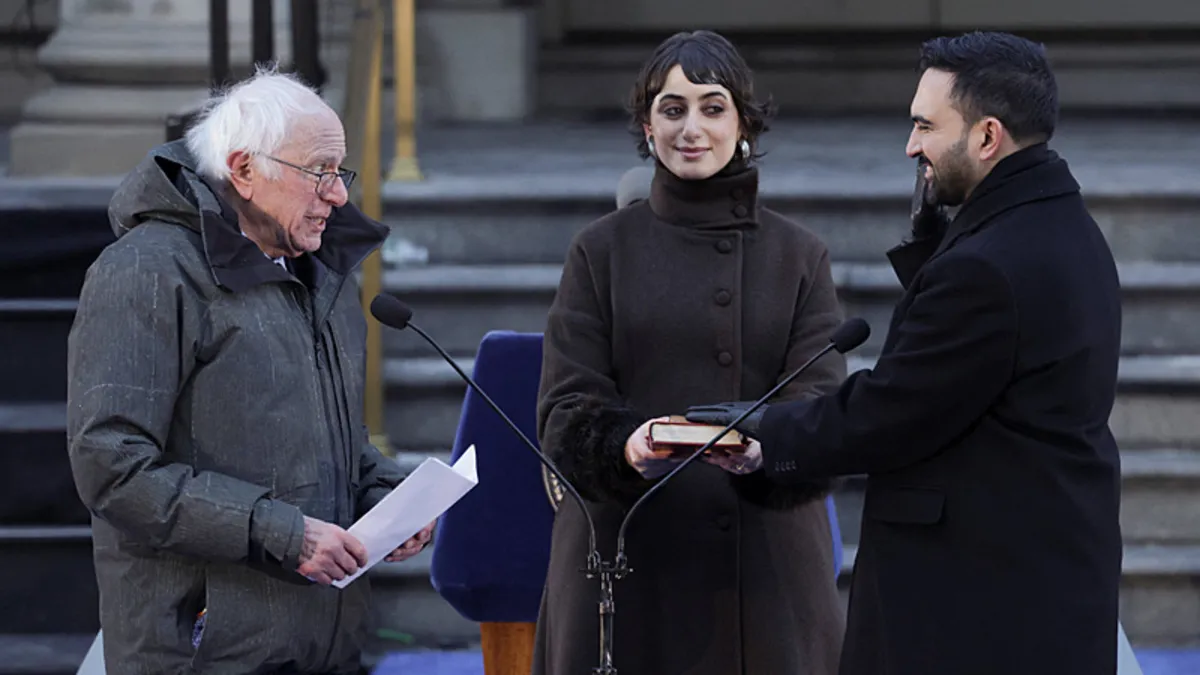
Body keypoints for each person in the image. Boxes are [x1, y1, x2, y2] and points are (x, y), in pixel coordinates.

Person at [687, 31, 1123, 675]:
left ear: (987, 136)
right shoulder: (1061, 226)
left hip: (975, 610)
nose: (911, 146)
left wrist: (765, 432)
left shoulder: (988, 266)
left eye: (925, 126)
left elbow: (893, 412)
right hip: (1034, 585)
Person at [66, 67, 434, 674]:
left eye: (340, 172)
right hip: (200, 650)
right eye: (319, 171)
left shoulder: (321, 275)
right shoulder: (145, 272)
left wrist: (386, 496)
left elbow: (328, 444)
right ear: (243, 170)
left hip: (321, 643)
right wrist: (283, 533)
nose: (339, 196)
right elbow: (112, 466)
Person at [534, 29, 847, 675]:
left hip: (764, 568)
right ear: (648, 127)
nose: (692, 128)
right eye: (672, 109)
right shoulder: (599, 250)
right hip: (629, 553)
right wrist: (626, 448)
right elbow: (566, 407)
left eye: (713, 107)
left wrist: (767, 448)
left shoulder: (799, 254)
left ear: (744, 124)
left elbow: (821, 400)